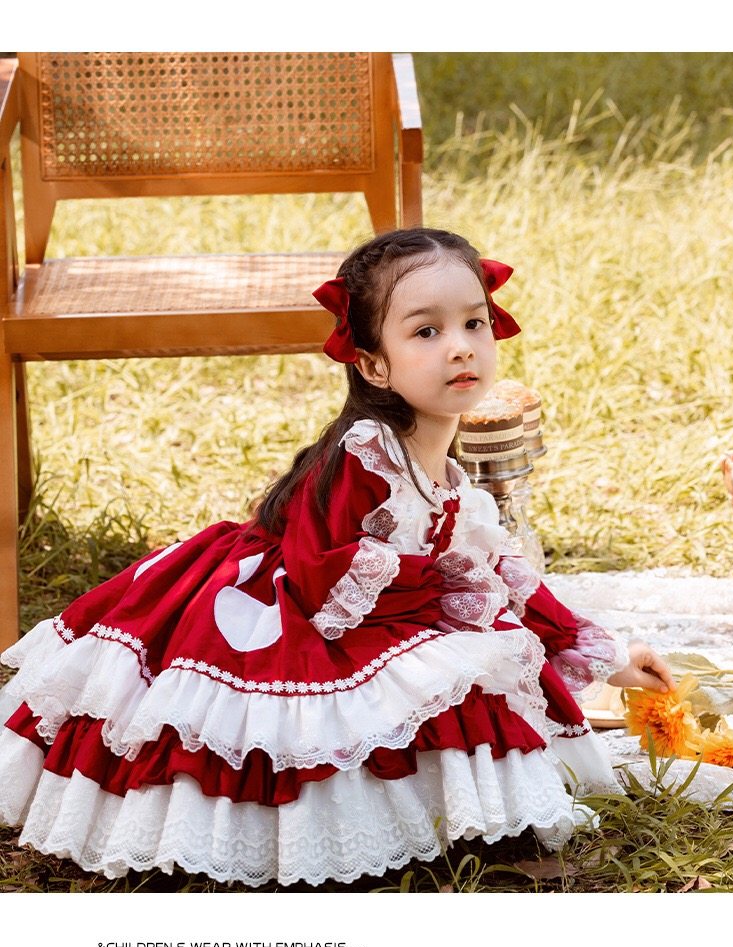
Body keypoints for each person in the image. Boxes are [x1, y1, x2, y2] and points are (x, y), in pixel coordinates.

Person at [0, 227, 673, 888]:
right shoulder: (365, 453)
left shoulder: (450, 480)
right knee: (449, 670)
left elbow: (497, 573)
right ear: (374, 365)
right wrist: (446, 584)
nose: (461, 347)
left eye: (475, 323)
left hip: (368, 604)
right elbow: (325, 580)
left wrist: (610, 657)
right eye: (427, 331)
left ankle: (454, 817)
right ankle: (315, 833)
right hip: (292, 610)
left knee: (483, 657)